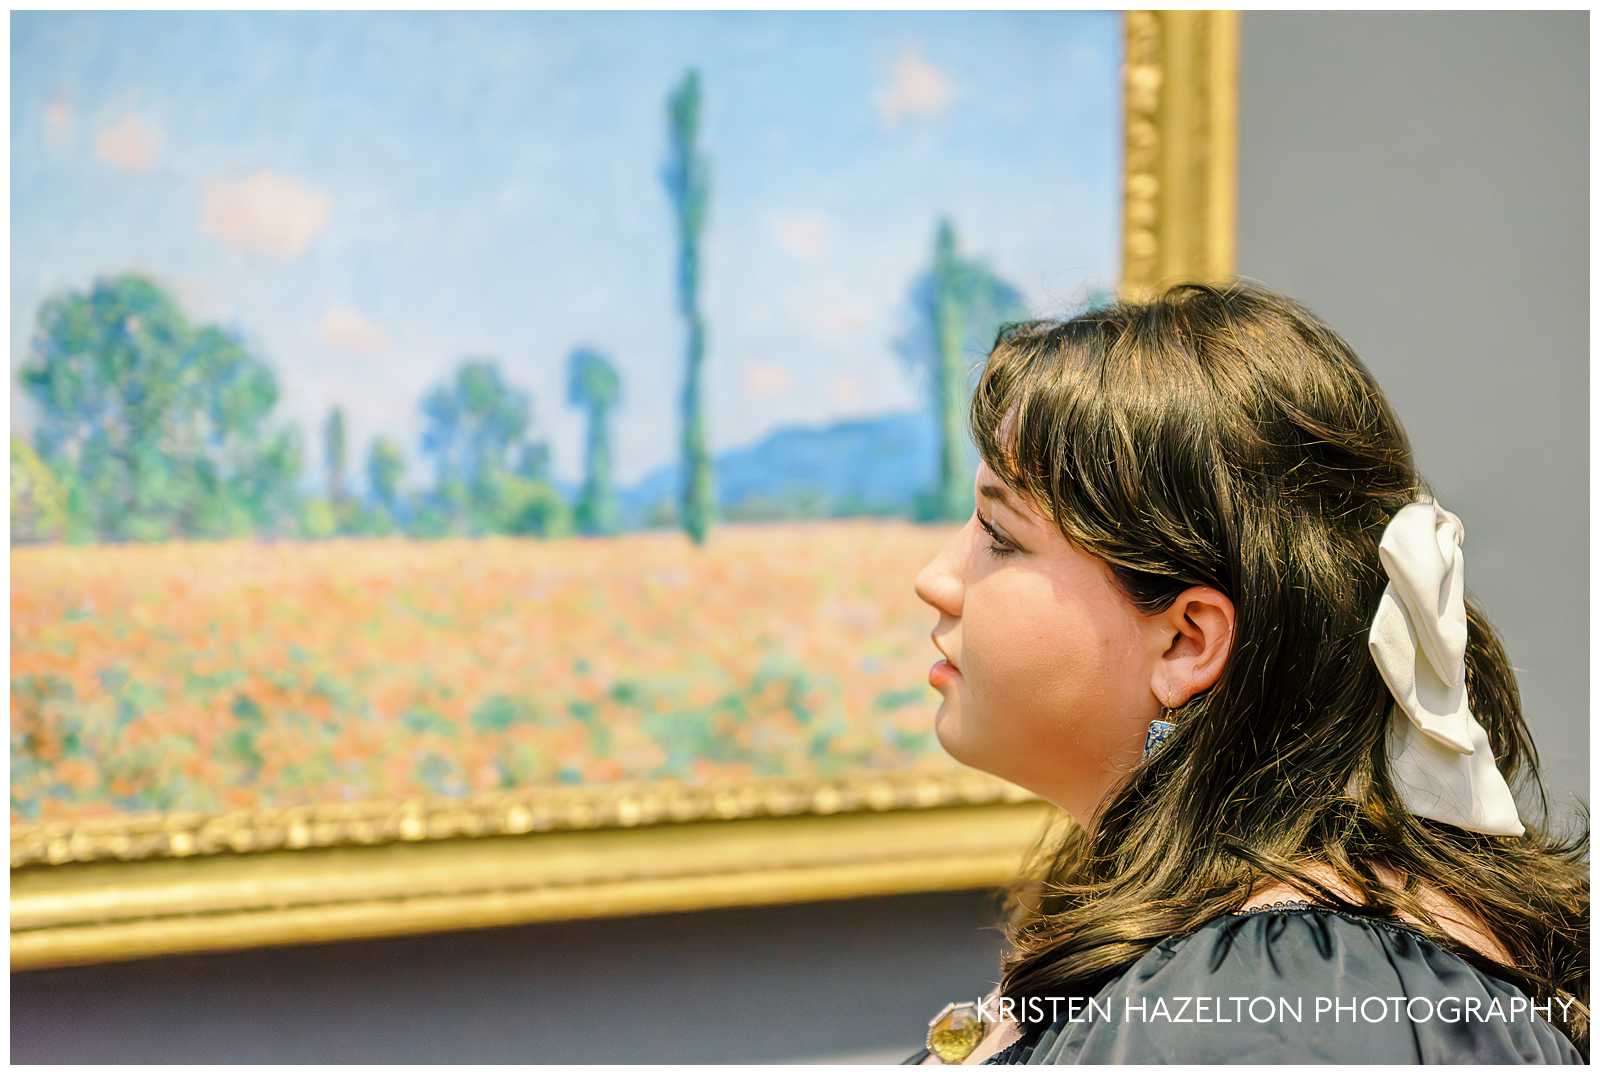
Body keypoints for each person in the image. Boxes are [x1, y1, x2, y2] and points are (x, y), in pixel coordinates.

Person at [902, 281, 1588, 1064]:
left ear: (1187, 642)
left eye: (998, 531)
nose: (936, 575)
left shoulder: (1289, 1001)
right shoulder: (1226, 948)